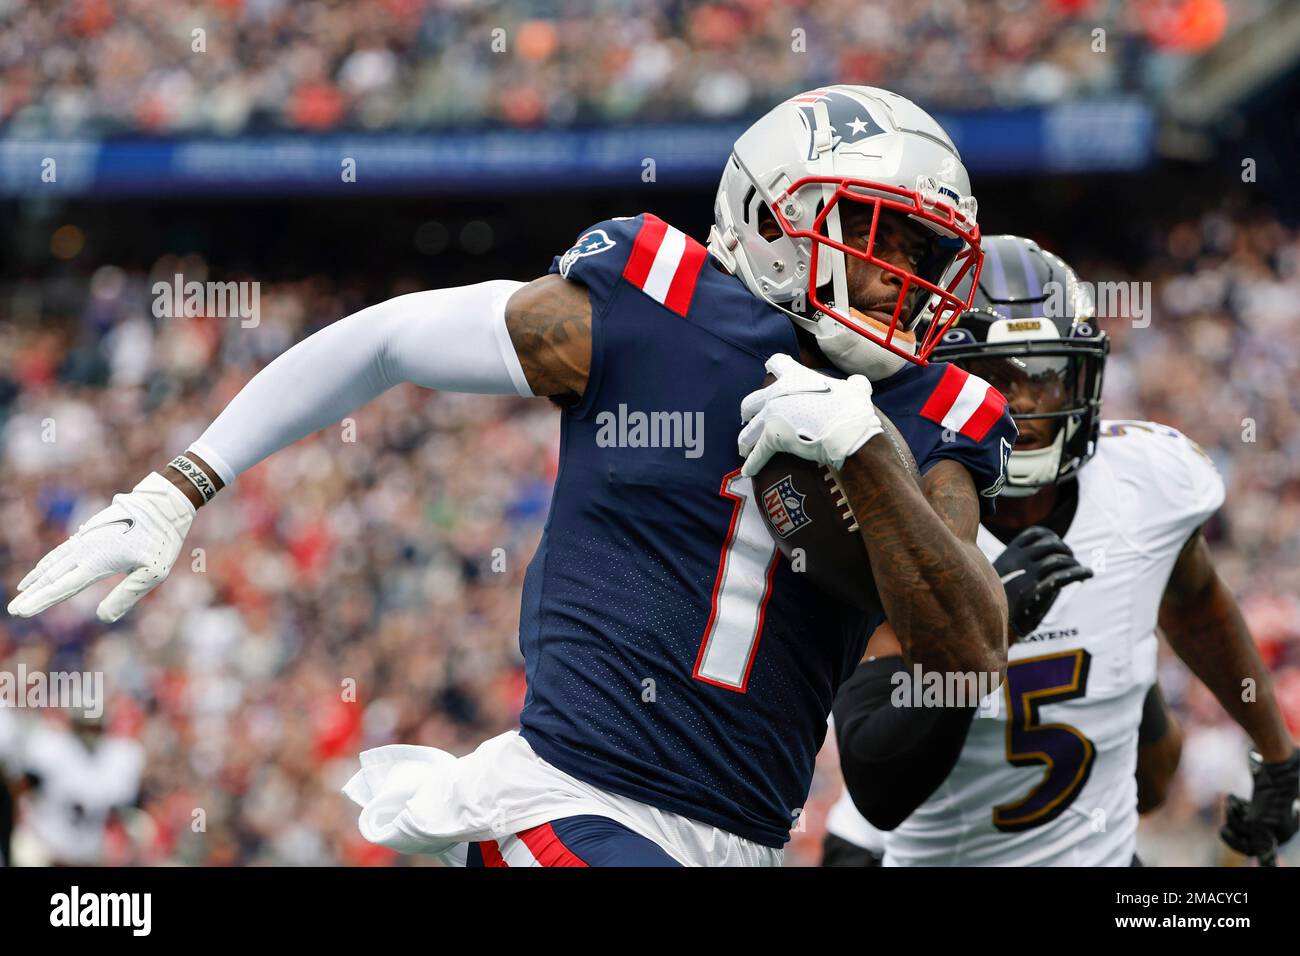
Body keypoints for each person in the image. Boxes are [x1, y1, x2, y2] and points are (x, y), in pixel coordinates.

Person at [8, 86, 1015, 867]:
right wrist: (181, 482)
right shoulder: (651, 303)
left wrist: (867, 454)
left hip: (743, 838)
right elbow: (394, 336)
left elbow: (966, 644)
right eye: (880, 235)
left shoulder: (934, 414)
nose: (903, 274)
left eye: (927, 249)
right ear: (770, 219)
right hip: (576, 799)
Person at [826, 235, 1299, 866]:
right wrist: (976, 632)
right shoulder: (894, 513)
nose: (1021, 400)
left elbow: (1197, 603)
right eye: (992, 377)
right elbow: (878, 785)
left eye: (1044, 374)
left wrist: (1278, 756)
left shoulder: (1147, 479)